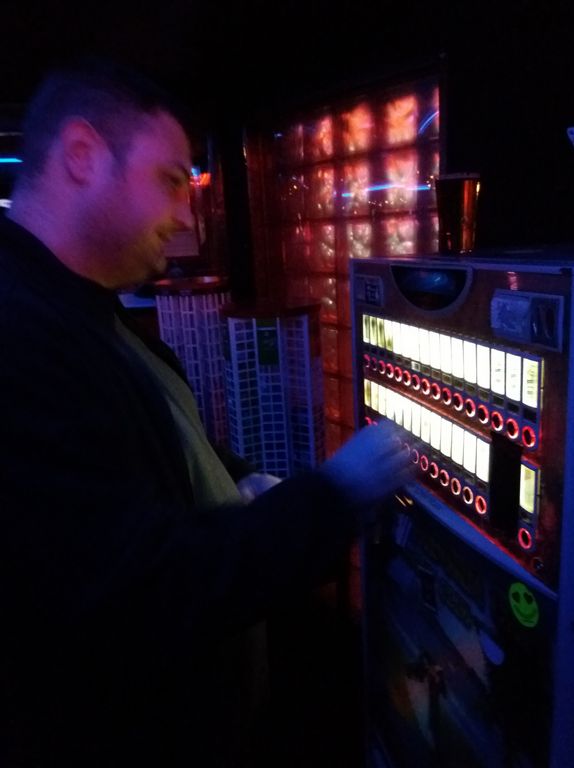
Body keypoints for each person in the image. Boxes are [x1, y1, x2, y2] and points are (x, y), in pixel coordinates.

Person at [0, 58, 410, 767]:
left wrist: (239, 478)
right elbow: (136, 590)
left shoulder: (82, 305)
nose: (187, 216)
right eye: (170, 180)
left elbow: (155, 441)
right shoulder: (18, 330)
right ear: (81, 155)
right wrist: (336, 494)